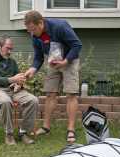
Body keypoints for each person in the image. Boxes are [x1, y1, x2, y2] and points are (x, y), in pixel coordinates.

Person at [24, 10, 82, 144]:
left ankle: (71, 129)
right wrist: (32, 69)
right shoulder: (35, 36)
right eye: (29, 31)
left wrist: (65, 61)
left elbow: (77, 45)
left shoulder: (60, 26)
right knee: (50, 93)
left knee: (71, 94)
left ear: (40, 23)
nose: (32, 33)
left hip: (70, 60)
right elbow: (38, 57)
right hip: (53, 62)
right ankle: (46, 127)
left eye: (33, 29)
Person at [0, 34, 38, 145]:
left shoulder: (11, 61)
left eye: (11, 49)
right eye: (8, 48)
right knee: (5, 101)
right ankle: (9, 134)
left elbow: (18, 78)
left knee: (33, 100)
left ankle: (23, 132)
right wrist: (11, 79)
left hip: (13, 90)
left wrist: (19, 84)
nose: (10, 51)